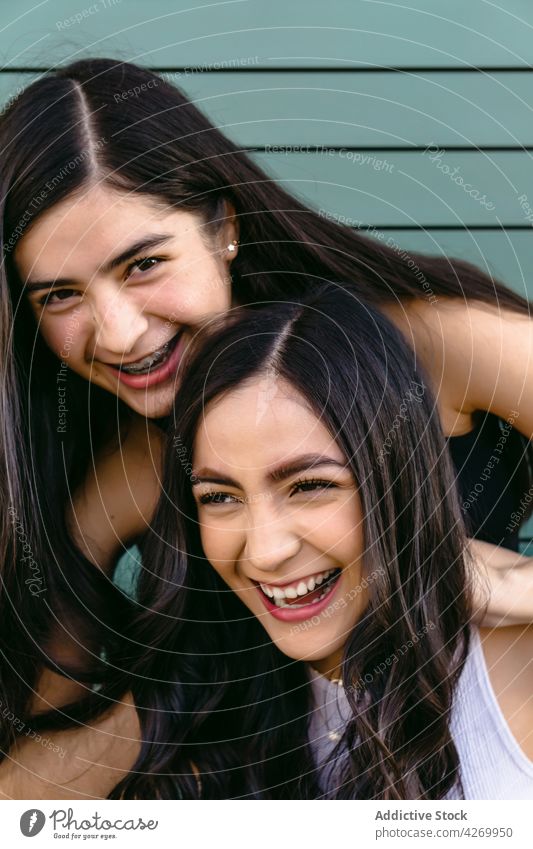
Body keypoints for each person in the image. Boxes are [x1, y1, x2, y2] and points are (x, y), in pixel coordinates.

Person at [0, 56, 532, 788]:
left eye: (144, 263)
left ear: (222, 226)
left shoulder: (443, 345)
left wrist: (507, 590)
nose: (118, 333)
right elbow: (45, 746)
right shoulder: (121, 475)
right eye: (60, 295)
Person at [110, 286, 533, 799]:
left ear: (397, 481)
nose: (265, 551)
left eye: (310, 486)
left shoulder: (511, 669)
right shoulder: (199, 698)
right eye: (220, 496)